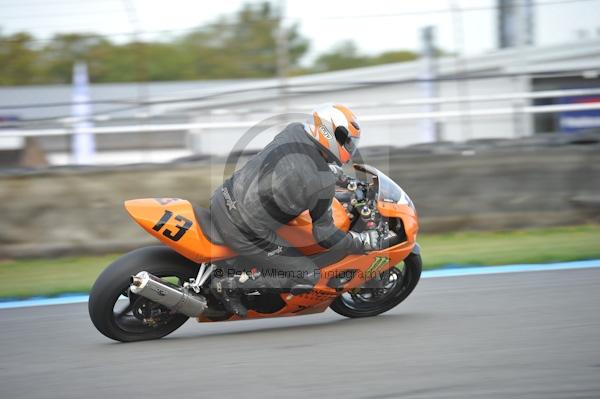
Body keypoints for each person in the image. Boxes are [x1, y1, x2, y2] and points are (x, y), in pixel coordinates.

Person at [209, 103, 380, 317]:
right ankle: (230, 285)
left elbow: (297, 163)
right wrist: (359, 241)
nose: (350, 147)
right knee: (307, 274)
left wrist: (343, 179)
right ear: (333, 134)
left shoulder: (293, 130)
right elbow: (324, 235)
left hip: (222, 197)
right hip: (242, 229)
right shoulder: (321, 182)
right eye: (348, 142)